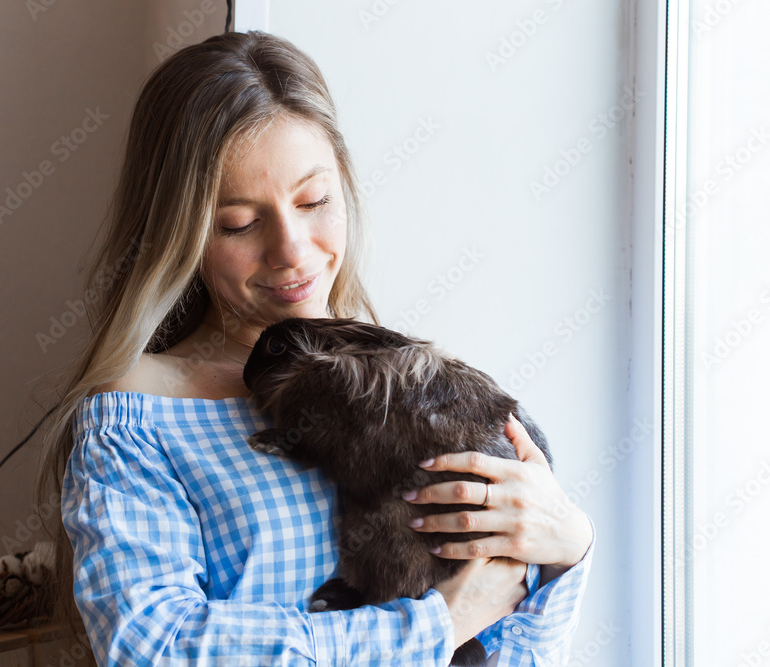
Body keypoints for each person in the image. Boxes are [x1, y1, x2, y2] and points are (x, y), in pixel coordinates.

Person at [34, 29, 594, 666]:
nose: (292, 250)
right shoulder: (138, 419)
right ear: (179, 231)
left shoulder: (407, 386)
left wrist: (567, 546)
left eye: (314, 200)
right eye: (240, 223)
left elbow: (512, 650)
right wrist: (438, 624)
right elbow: (153, 649)